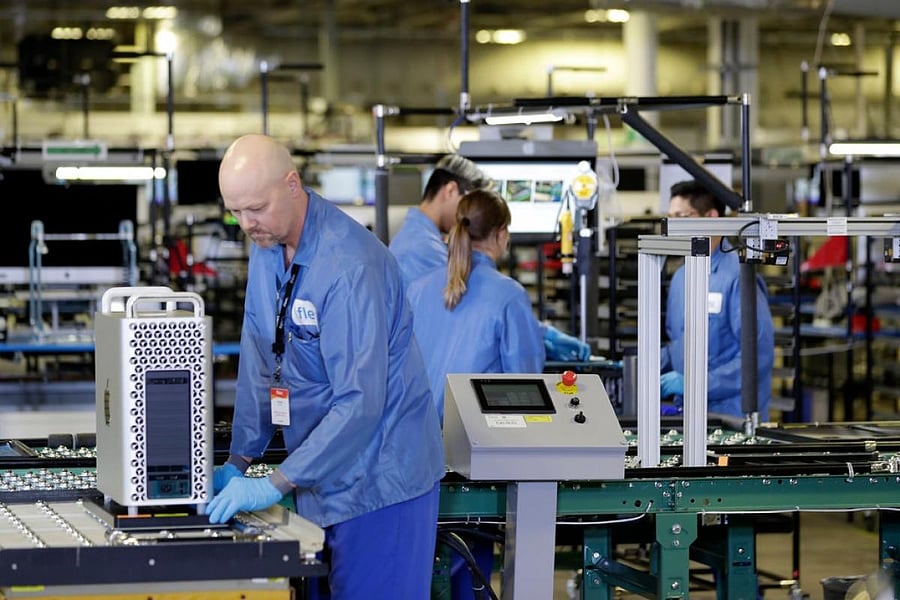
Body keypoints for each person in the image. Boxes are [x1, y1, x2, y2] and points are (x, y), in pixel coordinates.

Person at [208, 134, 445, 600]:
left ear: (292, 184)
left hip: (381, 479)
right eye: (235, 212)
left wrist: (275, 482)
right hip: (316, 476)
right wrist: (239, 459)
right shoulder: (266, 248)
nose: (246, 224)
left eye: (255, 208)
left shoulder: (349, 265)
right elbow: (260, 354)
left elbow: (361, 403)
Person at [406, 188, 544, 600]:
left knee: (426, 565)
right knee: (471, 567)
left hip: (415, 454)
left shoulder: (417, 289)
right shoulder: (508, 295)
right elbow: (527, 385)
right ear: (501, 234)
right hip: (476, 459)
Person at [390, 155, 591, 363]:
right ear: (450, 190)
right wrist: (538, 336)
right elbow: (474, 314)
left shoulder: (420, 242)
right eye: (468, 204)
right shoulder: (421, 250)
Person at [660, 179, 775, 420]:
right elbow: (678, 342)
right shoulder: (682, 277)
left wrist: (697, 384)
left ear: (711, 216)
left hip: (731, 416)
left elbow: (756, 357)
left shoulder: (738, 277)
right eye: (671, 217)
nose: (673, 226)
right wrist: (635, 367)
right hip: (689, 414)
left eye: (682, 217)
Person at [390, 153, 492, 289]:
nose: (470, 215)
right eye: (469, 204)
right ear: (451, 190)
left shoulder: (417, 238)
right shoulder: (424, 250)